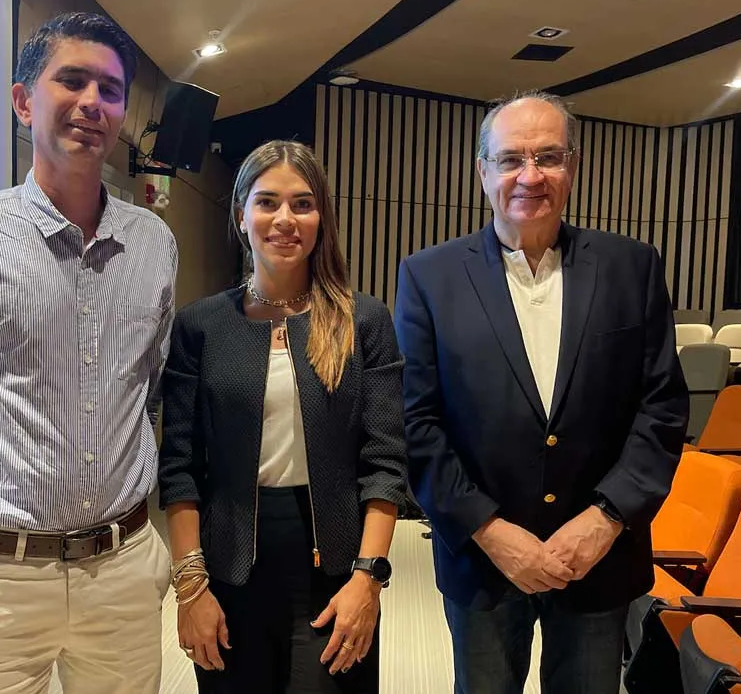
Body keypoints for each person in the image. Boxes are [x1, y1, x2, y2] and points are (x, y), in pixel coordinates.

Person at [0, 12, 177, 694]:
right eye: (71, 80)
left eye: (109, 90)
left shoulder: (154, 243)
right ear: (22, 101)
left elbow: (147, 387)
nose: (92, 102)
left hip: (124, 570)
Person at [393, 90, 688, 694]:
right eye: (511, 159)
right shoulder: (429, 276)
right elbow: (415, 420)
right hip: (483, 559)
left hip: (599, 557)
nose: (530, 176)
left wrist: (605, 520)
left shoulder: (632, 267)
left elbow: (661, 408)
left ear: (573, 166)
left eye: (549, 157)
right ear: (483, 171)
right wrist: (491, 532)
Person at [158, 140, 407, 694]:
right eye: (267, 202)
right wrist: (191, 589)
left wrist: (368, 580)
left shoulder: (363, 321)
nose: (285, 219)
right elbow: (179, 468)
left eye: (303, 204)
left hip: (337, 570)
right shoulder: (200, 326)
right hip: (228, 569)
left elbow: (385, 464)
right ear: (241, 215)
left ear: (322, 218)